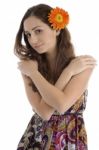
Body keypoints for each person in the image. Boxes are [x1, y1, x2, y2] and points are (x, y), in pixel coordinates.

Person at [14, 3, 96, 150]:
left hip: (71, 140)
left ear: (57, 29)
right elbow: (45, 113)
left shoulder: (82, 66)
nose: (32, 40)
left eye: (38, 31)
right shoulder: (30, 68)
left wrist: (69, 71)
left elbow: (62, 104)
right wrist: (66, 73)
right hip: (36, 139)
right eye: (28, 34)